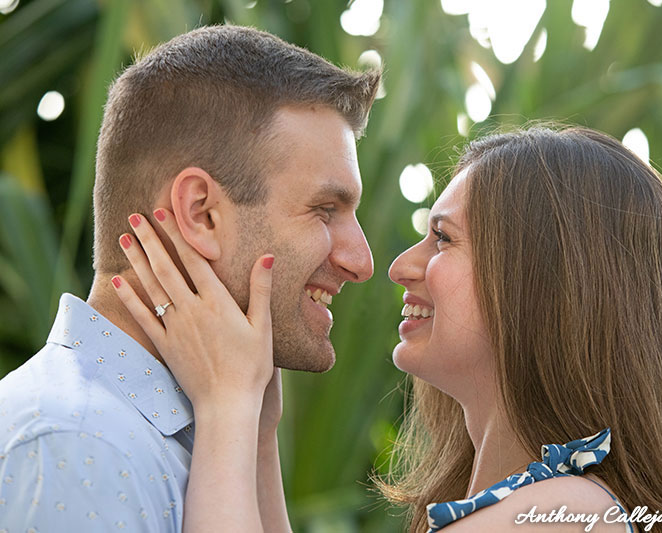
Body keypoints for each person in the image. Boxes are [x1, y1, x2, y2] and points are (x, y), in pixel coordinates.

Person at [111, 125, 662, 532]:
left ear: (540, 279)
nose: (398, 266)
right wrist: (255, 430)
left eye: (441, 238)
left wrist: (224, 405)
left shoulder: (559, 517)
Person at [0, 25, 380, 531]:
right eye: (324, 209)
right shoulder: (78, 444)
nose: (362, 261)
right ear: (200, 213)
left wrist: (251, 430)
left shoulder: (177, 435)